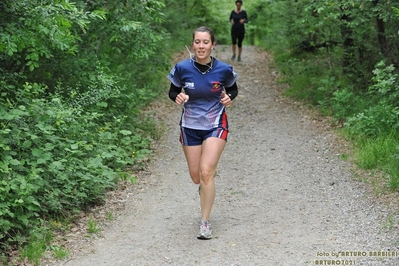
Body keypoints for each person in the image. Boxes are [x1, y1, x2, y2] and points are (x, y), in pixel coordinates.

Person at [167, 26, 239, 240]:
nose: (201, 46)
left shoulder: (224, 69)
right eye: (197, 42)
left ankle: (205, 223)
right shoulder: (182, 68)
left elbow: (233, 89)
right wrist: (177, 97)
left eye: (205, 42)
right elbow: (173, 91)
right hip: (190, 126)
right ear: (193, 44)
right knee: (196, 176)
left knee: (206, 171)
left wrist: (229, 98)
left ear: (212, 45)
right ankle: (205, 185)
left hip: (216, 123)